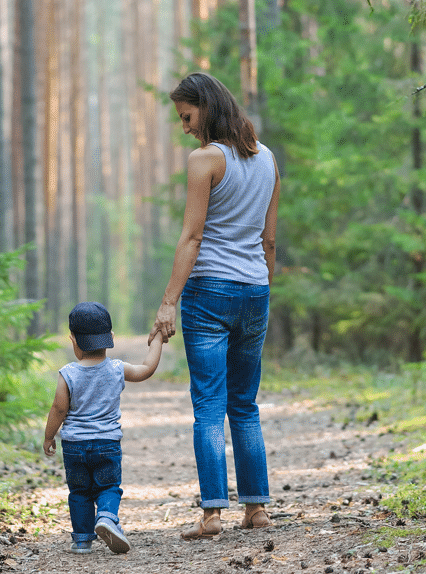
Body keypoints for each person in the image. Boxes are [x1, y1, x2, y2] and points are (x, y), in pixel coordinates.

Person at [150, 71, 280, 540]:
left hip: (209, 293)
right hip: (255, 290)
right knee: (244, 405)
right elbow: (268, 239)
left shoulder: (204, 160)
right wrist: (261, 288)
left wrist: (169, 301)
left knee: (208, 405)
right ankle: (257, 508)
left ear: (205, 106)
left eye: (186, 116)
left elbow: (193, 235)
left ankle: (211, 515)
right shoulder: (267, 159)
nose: (184, 126)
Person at [43, 301, 164, 555]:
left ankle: (82, 541)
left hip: (75, 447)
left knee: (79, 492)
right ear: (110, 337)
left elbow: (58, 409)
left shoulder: (67, 374)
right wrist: (158, 339)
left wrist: (49, 436)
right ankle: (107, 517)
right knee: (108, 487)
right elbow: (146, 369)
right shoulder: (117, 369)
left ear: (73, 340)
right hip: (107, 444)